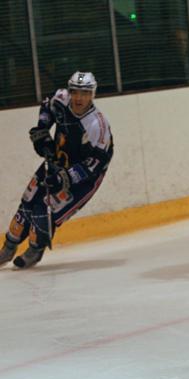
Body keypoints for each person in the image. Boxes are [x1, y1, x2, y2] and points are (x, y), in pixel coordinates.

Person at [0, 71, 113, 269]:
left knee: (44, 210)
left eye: (85, 93)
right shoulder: (61, 98)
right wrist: (43, 130)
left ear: (93, 94)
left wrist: (65, 178)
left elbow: (95, 164)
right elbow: (47, 106)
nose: (79, 98)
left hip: (84, 179)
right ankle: (8, 247)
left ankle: (35, 250)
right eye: (75, 92)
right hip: (58, 160)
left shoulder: (97, 125)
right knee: (28, 200)